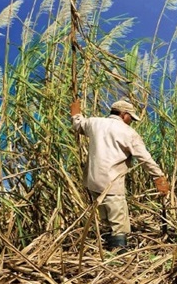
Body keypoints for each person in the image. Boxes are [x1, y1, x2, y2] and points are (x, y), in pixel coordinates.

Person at [70, 98, 169, 252]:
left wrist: (75, 112)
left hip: (92, 181)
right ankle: (119, 256)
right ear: (124, 115)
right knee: (119, 223)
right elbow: (145, 158)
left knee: (105, 218)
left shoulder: (94, 123)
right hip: (111, 182)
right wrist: (159, 177)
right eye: (131, 117)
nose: (132, 122)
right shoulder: (128, 132)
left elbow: (78, 124)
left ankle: (107, 249)